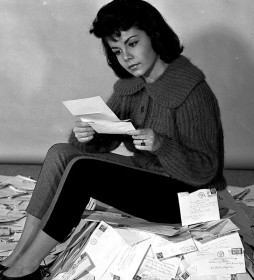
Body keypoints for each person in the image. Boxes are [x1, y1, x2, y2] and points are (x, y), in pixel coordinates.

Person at [0, 0, 227, 279]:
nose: (126, 57)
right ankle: (18, 254)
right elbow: (107, 135)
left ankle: (27, 267)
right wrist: (88, 134)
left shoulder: (192, 90)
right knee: (61, 152)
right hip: (147, 176)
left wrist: (162, 146)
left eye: (133, 43)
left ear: (155, 36)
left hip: (186, 198)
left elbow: (206, 170)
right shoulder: (133, 84)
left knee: (83, 171)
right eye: (117, 50)